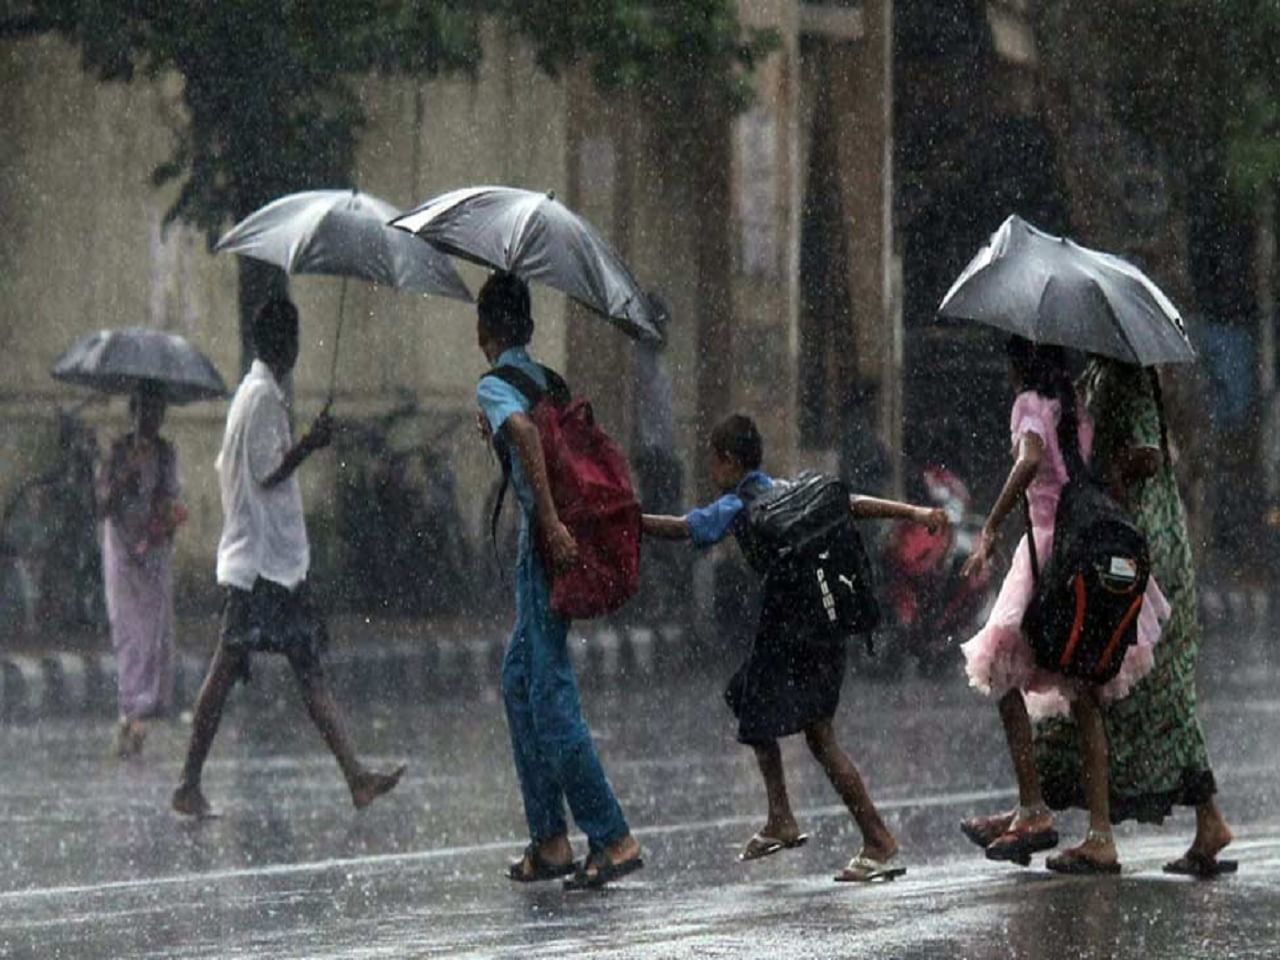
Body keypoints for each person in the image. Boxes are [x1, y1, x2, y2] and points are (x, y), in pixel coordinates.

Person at [641, 413, 947, 882]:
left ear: (727, 461)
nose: (711, 472)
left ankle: (874, 838)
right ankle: (783, 817)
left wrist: (628, 521)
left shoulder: (738, 504)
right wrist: (914, 514)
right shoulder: (787, 488)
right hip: (823, 626)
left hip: (791, 630)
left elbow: (685, 528)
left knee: (816, 737)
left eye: (714, 462)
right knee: (755, 703)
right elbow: (850, 502)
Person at [171, 298, 405, 818]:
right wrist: (310, 445)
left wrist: (303, 443)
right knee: (227, 669)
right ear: (287, 344)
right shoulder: (259, 400)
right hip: (259, 568)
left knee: (306, 669)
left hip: (273, 565)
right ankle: (188, 783)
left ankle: (356, 776)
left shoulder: (258, 396)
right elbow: (266, 472)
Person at [958, 337, 1168, 874]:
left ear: (1018, 363)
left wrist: (990, 524)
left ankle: (1033, 808)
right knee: (1084, 689)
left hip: (1048, 549)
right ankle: (1099, 834)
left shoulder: (1029, 404)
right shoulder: (1074, 405)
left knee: (1002, 673)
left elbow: (1029, 461)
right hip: (1084, 542)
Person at [1017, 358, 1233, 876]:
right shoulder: (1100, 374)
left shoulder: (1126, 377)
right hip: (1124, 536)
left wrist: (1109, 473)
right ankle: (1196, 821)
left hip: (1140, 541)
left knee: (1142, 689)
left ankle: (1117, 827)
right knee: (1132, 691)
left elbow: (1150, 454)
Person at [475, 272, 643, 890]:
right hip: (545, 542)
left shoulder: (496, 383)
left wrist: (546, 521)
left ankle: (612, 835)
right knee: (518, 681)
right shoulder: (547, 380)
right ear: (531, 328)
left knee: (547, 693)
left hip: (544, 543)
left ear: (483, 332)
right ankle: (549, 838)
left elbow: (522, 433)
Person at [97, 382, 183, 757]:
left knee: (154, 633)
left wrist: (166, 516)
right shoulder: (116, 452)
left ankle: (142, 711)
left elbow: (168, 497)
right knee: (129, 631)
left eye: (157, 412)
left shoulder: (165, 453)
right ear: (134, 412)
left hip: (153, 552)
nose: (151, 419)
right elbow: (102, 505)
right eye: (145, 411)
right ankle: (130, 710)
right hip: (121, 550)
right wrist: (126, 474)